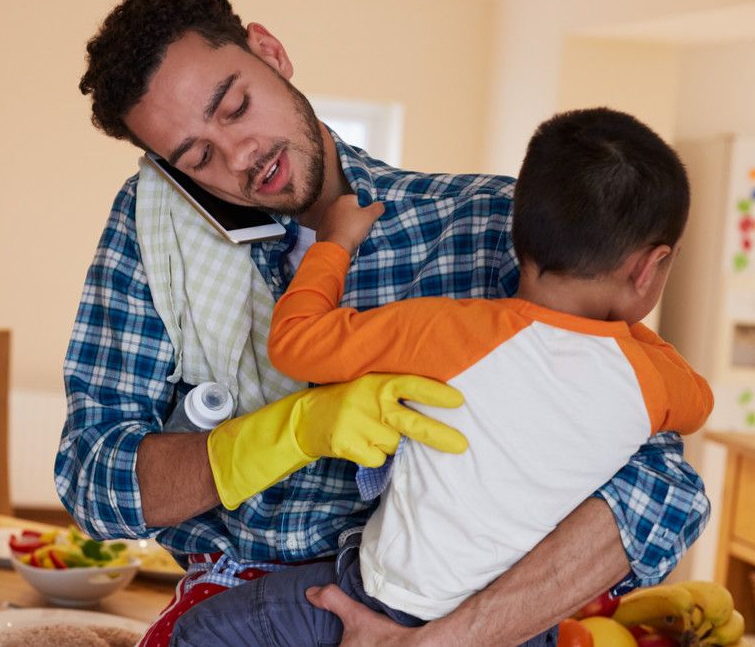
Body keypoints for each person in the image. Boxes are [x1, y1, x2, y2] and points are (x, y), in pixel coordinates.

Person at [57, 0, 709, 645]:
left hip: (453, 620)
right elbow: (93, 481)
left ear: (270, 51)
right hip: (245, 605)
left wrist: (439, 641)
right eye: (199, 156)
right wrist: (287, 433)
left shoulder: (486, 227)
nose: (240, 155)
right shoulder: (160, 236)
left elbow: (661, 489)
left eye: (236, 107)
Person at [168, 107, 714, 645]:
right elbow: (700, 403)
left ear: (518, 233)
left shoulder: (448, 332)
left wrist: (336, 242)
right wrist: (622, 334)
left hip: (381, 596)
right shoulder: (654, 383)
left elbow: (296, 342)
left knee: (197, 632)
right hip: (518, 633)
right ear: (648, 267)